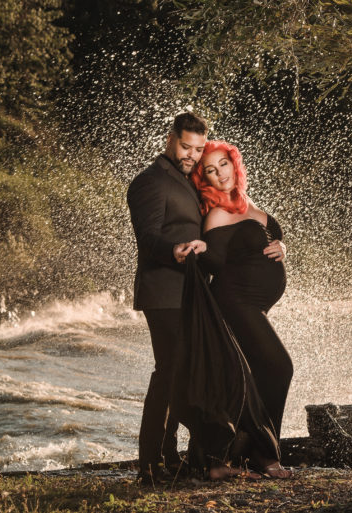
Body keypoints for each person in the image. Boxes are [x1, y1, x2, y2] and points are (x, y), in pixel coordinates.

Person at [127, 113, 286, 484]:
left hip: (190, 295)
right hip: (164, 290)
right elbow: (148, 239)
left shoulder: (188, 182)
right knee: (167, 375)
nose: (192, 155)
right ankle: (150, 466)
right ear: (170, 139)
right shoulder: (150, 182)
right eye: (186, 146)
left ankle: (176, 458)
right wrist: (176, 250)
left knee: (182, 376)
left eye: (199, 149)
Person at [191, 140, 293, 479]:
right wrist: (201, 249)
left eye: (223, 164)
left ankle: (244, 452)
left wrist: (281, 246)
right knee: (279, 367)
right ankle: (265, 455)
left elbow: (267, 240)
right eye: (210, 170)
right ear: (203, 178)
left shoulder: (248, 207)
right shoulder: (217, 213)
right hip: (235, 302)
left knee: (260, 374)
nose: (219, 174)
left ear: (235, 165)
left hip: (254, 306)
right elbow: (215, 261)